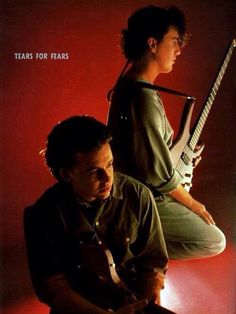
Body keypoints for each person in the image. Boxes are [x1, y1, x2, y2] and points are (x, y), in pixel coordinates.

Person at [107, 5, 226, 260]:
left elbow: (151, 153)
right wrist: (194, 204)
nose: (178, 50)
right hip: (143, 201)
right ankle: (133, 249)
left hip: (144, 193)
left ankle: (136, 246)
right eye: (173, 42)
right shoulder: (141, 97)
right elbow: (157, 175)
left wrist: (183, 156)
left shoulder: (136, 88)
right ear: (152, 44)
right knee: (214, 240)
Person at [24, 115, 172, 314]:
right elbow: (54, 288)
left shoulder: (138, 195)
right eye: (94, 172)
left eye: (110, 164)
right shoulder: (42, 214)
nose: (107, 178)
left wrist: (144, 308)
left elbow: (153, 263)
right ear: (67, 174)